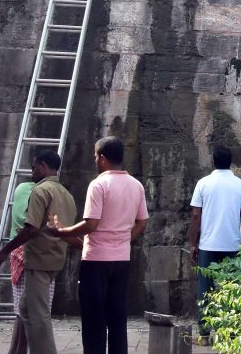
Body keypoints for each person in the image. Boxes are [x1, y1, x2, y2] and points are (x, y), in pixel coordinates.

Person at [46, 136, 147, 354]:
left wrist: (61, 231)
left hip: (96, 260)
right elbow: (142, 222)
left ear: (102, 158)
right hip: (121, 260)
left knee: (94, 320)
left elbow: (91, 224)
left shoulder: (99, 184)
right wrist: (124, 239)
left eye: (95, 155)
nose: (94, 158)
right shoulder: (136, 185)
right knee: (118, 318)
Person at [0, 150, 77, 354]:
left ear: (43, 166)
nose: (32, 172)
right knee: (26, 309)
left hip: (38, 260)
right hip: (55, 259)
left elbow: (31, 229)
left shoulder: (40, 191)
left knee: (39, 316)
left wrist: (4, 251)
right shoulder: (66, 194)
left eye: (34, 167)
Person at [189, 147, 241, 339]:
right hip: (232, 245)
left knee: (205, 288)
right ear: (230, 162)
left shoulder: (203, 183)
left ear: (213, 161)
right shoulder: (240, 185)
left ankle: (205, 333)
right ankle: (230, 332)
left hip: (208, 244)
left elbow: (195, 215)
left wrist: (193, 243)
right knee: (231, 287)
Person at [2, 179, 37, 354]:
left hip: (25, 253)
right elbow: (28, 225)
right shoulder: (27, 190)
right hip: (26, 253)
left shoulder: (26, 189)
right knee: (26, 310)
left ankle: (16, 349)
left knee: (23, 310)